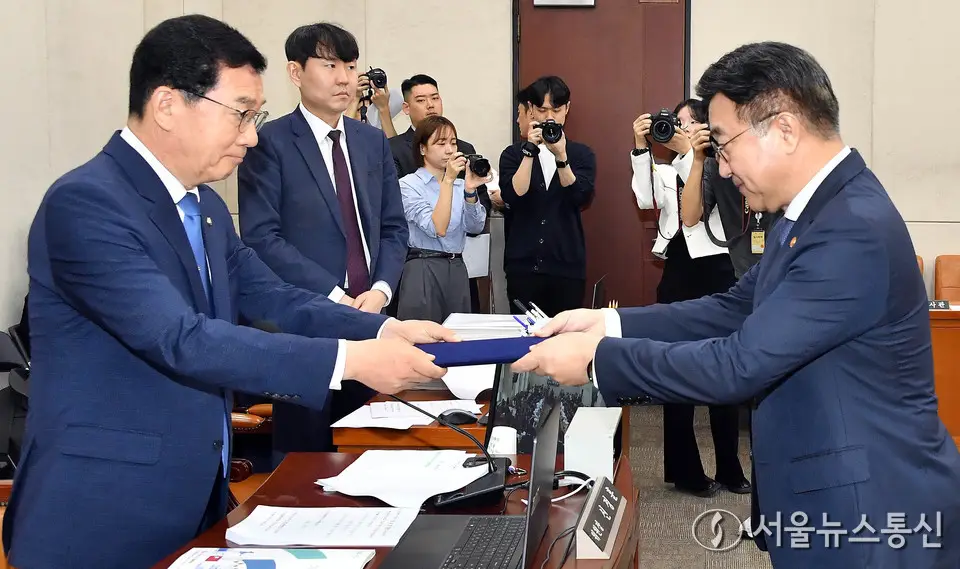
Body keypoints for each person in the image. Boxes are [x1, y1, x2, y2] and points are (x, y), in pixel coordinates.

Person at [2, 16, 454, 569]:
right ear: (167, 105)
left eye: (254, 117)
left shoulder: (206, 207)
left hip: (197, 496)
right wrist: (352, 360)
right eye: (240, 114)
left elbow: (273, 295)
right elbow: (182, 338)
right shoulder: (87, 203)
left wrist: (384, 327)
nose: (252, 136)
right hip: (102, 513)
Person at [513, 41, 960, 568]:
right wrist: (608, 322)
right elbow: (734, 307)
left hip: (872, 513)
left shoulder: (850, 227)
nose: (722, 169)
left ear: (785, 129)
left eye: (724, 145)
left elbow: (738, 365)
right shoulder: (812, 211)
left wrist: (597, 361)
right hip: (827, 493)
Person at [237, 23, 410, 459]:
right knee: (305, 458)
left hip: (371, 317)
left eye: (350, 67)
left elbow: (394, 227)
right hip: (305, 326)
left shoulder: (371, 141)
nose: (344, 78)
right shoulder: (269, 142)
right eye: (330, 66)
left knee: (371, 449)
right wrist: (334, 297)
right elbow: (262, 236)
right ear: (296, 72)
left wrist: (380, 290)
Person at [631, 99, 749, 497]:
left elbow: (710, 208)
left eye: (689, 123)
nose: (679, 130)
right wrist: (640, 148)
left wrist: (693, 155)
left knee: (724, 369)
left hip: (719, 269)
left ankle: (730, 467)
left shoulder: (723, 166)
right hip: (679, 274)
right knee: (676, 370)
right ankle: (686, 471)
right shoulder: (664, 171)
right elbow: (646, 200)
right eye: (674, 123)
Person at [499, 76, 596, 317]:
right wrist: (529, 151)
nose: (549, 117)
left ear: (567, 109)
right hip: (523, 267)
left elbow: (580, 197)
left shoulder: (581, 154)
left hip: (566, 267)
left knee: (565, 334)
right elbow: (513, 196)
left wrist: (561, 156)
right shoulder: (513, 154)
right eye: (542, 110)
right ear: (531, 109)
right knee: (524, 333)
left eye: (556, 110)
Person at [397, 116, 490, 322]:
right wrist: (448, 180)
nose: (449, 150)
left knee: (458, 332)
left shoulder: (460, 185)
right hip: (423, 265)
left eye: (453, 143)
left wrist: (470, 192)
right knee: (422, 335)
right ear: (423, 149)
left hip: (457, 266)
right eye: (441, 143)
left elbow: (475, 227)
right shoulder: (408, 185)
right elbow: (437, 227)